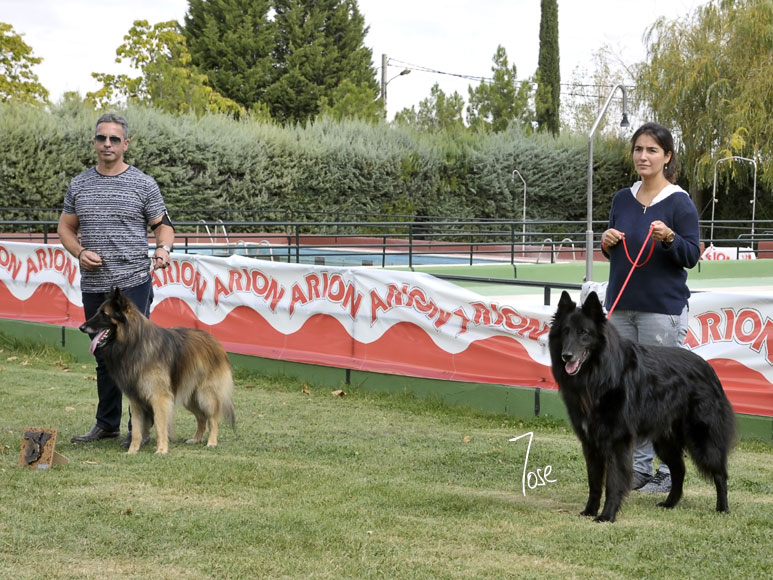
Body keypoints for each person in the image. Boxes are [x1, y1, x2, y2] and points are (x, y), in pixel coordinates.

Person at [57, 113, 175, 449]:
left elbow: (163, 226)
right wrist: (79, 251)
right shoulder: (79, 184)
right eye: (101, 138)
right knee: (103, 355)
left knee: (138, 357)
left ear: (126, 144)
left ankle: (140, 429)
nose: (107, 144)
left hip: (133, 283)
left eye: (113, 139)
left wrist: (163, 249)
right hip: (94, 285)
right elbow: (65, 227)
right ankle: (107, 424)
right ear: (95, 142)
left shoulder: (143, 184)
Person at [600, 122, 701, 494]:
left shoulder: (679, 202)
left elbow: (691, 255)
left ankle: (668, 471)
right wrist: (606, 242)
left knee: (660, 393)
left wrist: (671, 238)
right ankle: (638, 469)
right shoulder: (622, 199)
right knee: (625, 392)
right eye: (638, 149)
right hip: (621, 309)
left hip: (662, 311)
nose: (643, 156)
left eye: (652, 150)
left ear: (667, 156)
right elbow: (615, 253)